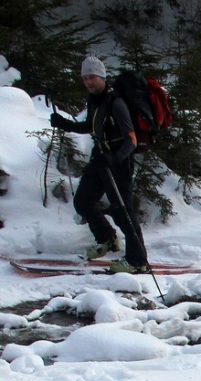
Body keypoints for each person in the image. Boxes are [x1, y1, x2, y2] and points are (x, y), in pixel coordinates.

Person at [50, 56, 148, 273]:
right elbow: (92, 126)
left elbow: (131, 139)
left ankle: (137, 261)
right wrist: (66, 124)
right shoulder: (94, 100)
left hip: (119, 161)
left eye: (92, 77)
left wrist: (115, 158)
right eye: (85, 78)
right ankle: (107, 239)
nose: (88, 82)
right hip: (101, 158)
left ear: (102, 76)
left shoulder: (117, 103)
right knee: (83, 201)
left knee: (123, 211)